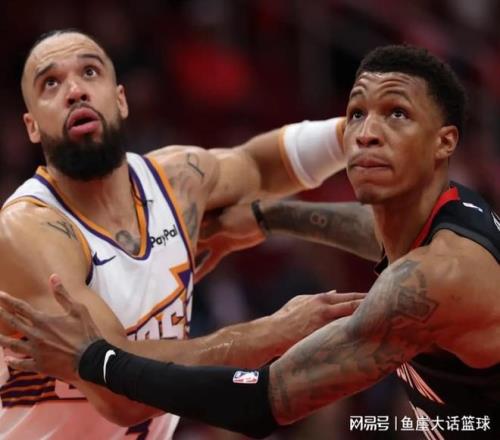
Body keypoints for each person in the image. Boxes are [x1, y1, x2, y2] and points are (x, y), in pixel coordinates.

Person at [2, 44, 498, 440]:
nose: (366, 134)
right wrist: (266, 216)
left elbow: (259, 401)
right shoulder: (446, 216)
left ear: (444, 141)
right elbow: (372, 228)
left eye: (397, 115)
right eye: (355, 115)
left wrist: (92, 359)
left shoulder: (436, 276)